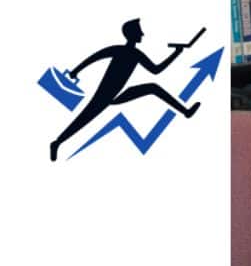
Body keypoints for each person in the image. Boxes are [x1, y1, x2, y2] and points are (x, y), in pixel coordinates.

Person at [50, 19, 200, 161]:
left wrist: (176, 53)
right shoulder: (120, 50)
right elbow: (94, 57)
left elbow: (156, 70)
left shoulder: (136, 54)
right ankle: (57, 142)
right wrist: (76, 71)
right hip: (104, 96)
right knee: (83, 120)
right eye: (140, 31)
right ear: (132, 34)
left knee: (153, 88)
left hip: (117, 95)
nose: (142, 34)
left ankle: (186, 111)